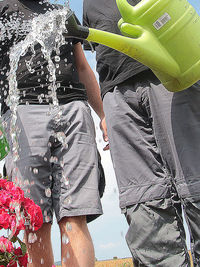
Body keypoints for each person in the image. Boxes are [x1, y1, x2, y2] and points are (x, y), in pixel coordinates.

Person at [0, 0, 106, 266]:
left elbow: (83, 68)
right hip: (23, 116)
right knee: (34, 218)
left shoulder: (63, 13)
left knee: (74, 216)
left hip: (74, 112)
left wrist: (103, 114)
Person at [83, 0, 200, 266]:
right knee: (142, 198)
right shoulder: (88, 5)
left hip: (172, 72)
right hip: (116, 94)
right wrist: (103, 113)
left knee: (195, 181)